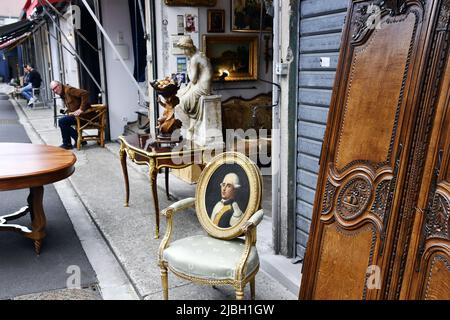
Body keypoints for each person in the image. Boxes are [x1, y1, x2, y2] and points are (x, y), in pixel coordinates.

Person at [175, 36, 213, 139]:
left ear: (189, 48)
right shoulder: (199, 55)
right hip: (202, 85)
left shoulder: (194, 59)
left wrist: (188, 69)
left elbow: (193, 79)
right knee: (180, 94)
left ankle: (191, 128)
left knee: (182, 102)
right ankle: (191, 126)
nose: (183, 52)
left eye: (184, 49)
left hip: (203, 88)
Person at [50, 80, 91, 150]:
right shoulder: (62, 93)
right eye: (52, 89)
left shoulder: (69, 90)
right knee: (63, 122)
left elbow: (85, 93)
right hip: (76, 116)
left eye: (55, 88)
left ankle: (68, 144)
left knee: (62, 121)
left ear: (59, 85)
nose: (54, 91)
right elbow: (74, 102)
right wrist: (67, 108)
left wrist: (81, 109)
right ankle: (78, 140)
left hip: (84, 116)